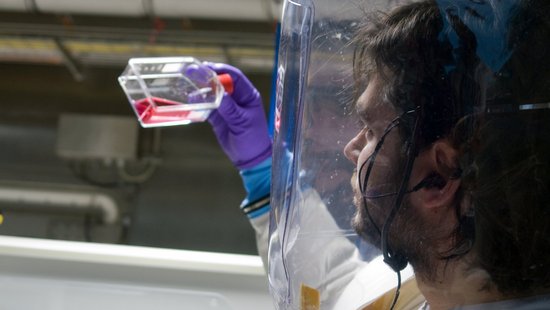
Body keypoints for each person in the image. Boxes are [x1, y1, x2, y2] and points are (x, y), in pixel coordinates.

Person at [205, 0, 550, 309]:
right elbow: (342, 294)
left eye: (371, 131)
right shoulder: (450, 285)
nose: (351, 148)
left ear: (439, 175)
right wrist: (264, 175)